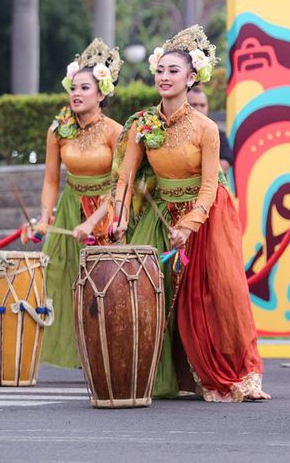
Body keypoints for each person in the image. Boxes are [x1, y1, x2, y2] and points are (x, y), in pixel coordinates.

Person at [111, 25, 267, 402]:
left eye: (173, 71)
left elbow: (211, 185)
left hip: (205, 216)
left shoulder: (206, 129)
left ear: (191, 77)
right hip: (160, 213)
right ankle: (163, 374)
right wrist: (117, 218)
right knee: (151, 293)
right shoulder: (142, 125)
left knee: (216, 295)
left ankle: (229, 375)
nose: (164, 77)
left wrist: (190, 224)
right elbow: (125, 179)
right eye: (160, 70)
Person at [22, 39, 123, 369]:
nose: (76, 94)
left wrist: (93, 222)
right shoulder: (58, 130)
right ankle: (81, 353)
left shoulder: (114, 132)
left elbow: (121, 185)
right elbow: (51, 180)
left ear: (102, 94)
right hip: (70, 205)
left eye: (85, 88)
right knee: (63, 280)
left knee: (108, 283)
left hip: (107, 210)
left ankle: (110, 352)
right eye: (73, 88)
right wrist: (44, 217)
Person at [187, 85, 234, 176]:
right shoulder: (175, 131)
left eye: (202, 105)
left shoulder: (219, 134)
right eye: (194, 105)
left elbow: (224, 165)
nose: (199, 109)